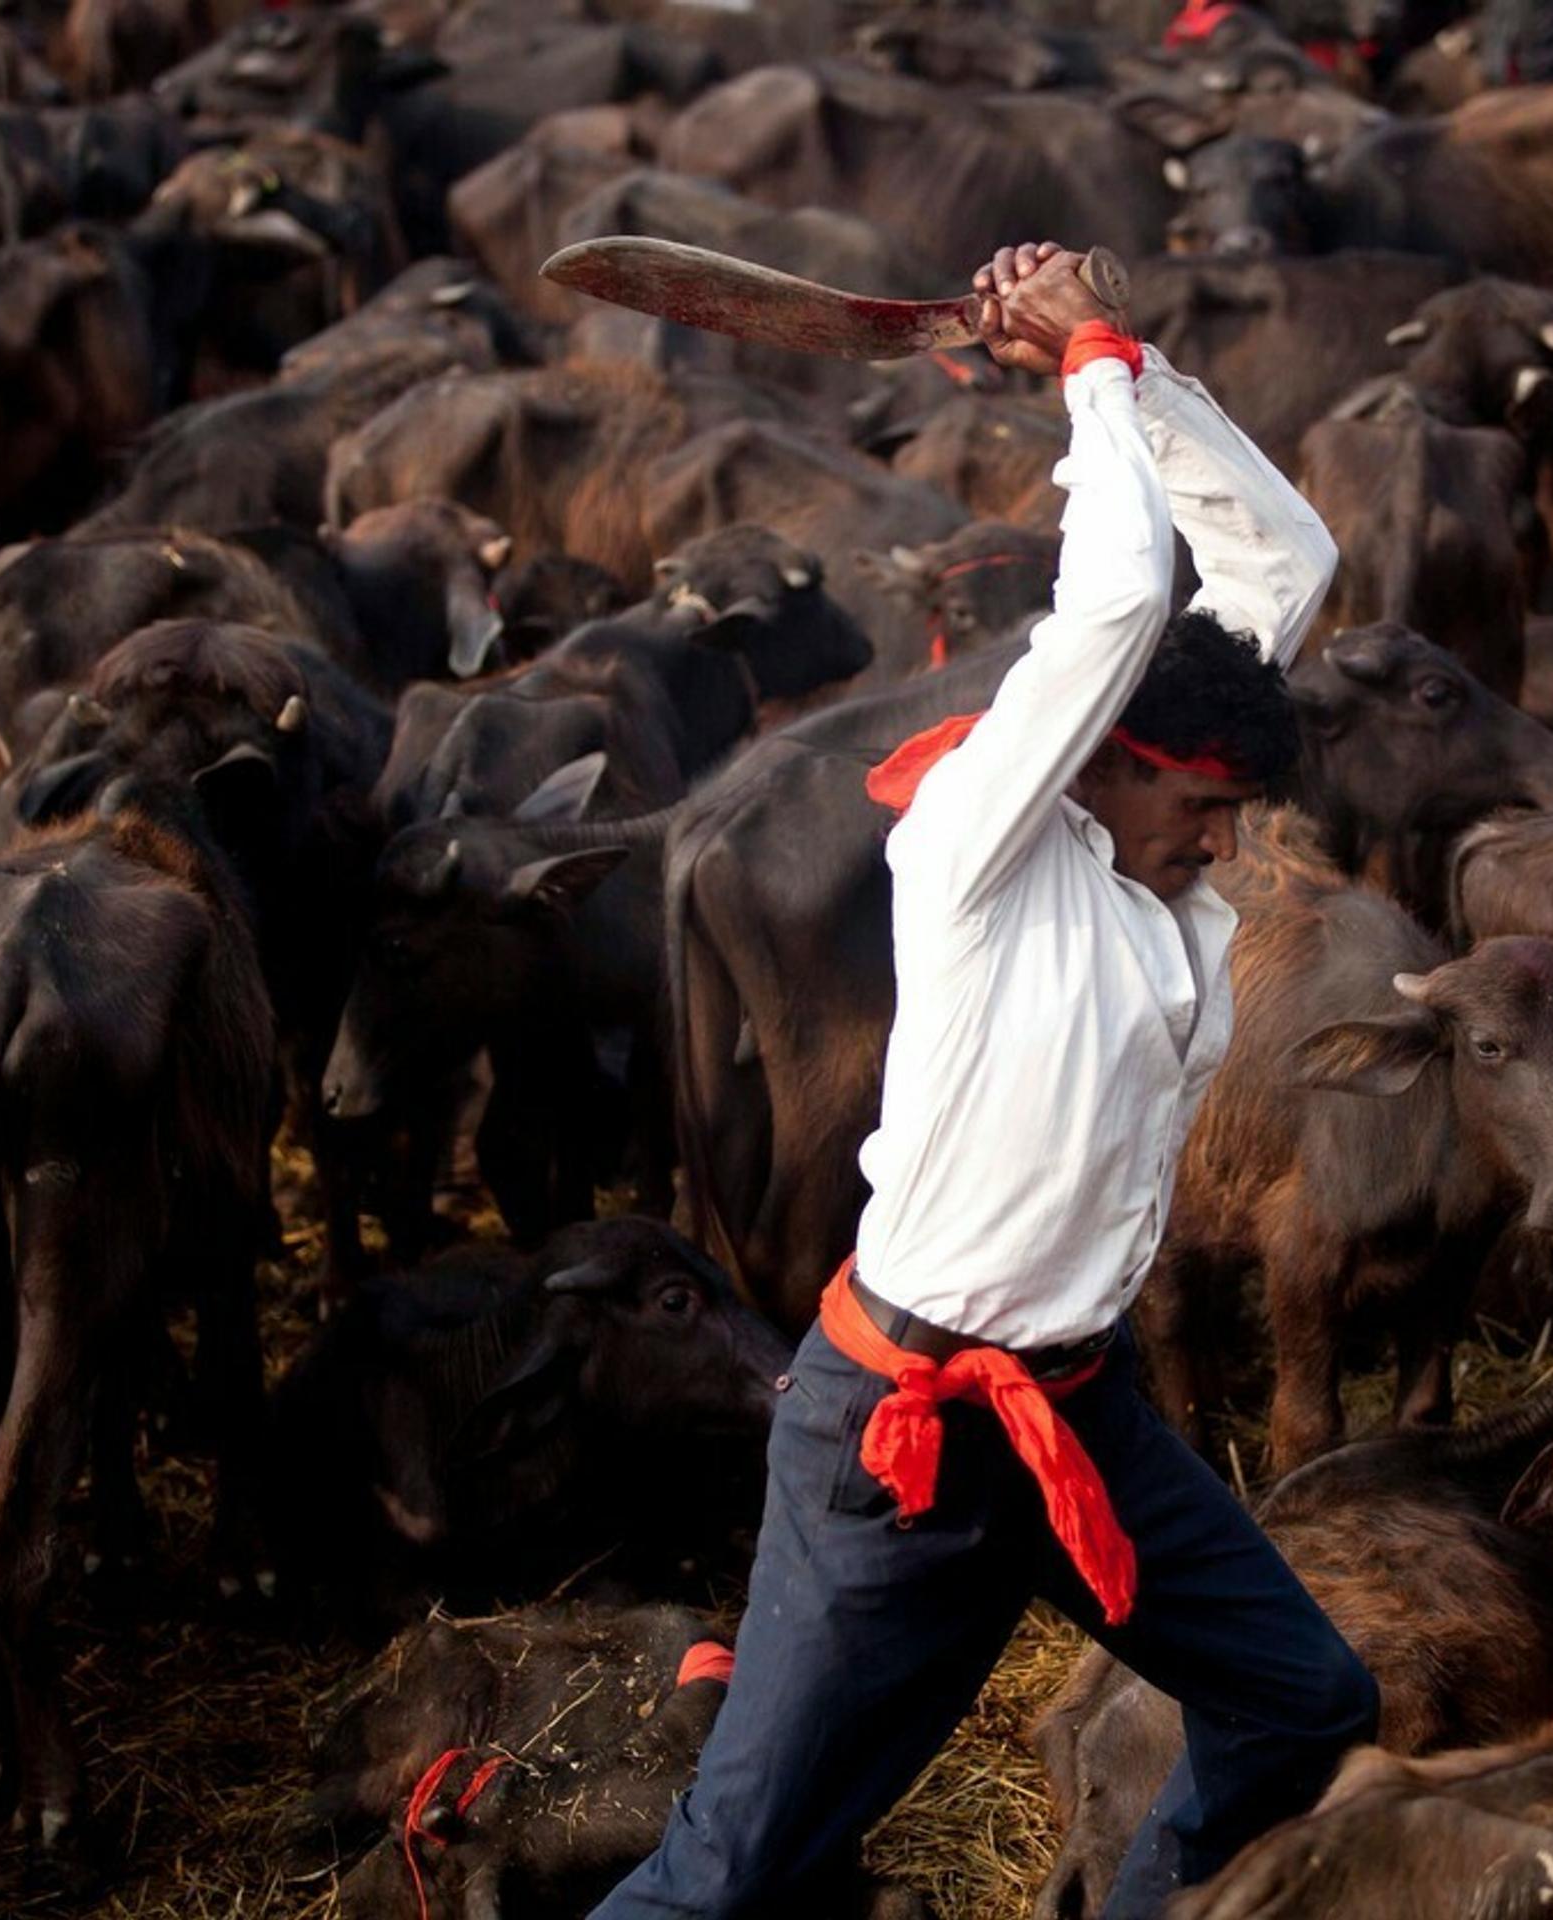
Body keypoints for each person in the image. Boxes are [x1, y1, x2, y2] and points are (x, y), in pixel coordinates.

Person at [586, 242, 1379, 1920]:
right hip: (901, 1437)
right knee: (729, 1876)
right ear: (1093, 759)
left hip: (1080, 1412)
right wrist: (1076, 362)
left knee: (1307, 1700)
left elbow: (1284, 553)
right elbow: (1104, 613)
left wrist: (1135, 370)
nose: (1229, 840)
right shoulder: (979, 844)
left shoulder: (1161, 856)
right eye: (1203, 808)